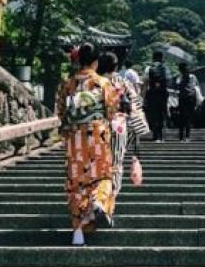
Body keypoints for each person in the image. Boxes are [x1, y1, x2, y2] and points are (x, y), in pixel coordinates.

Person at [55, 42, 118, 246]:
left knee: (76, 183)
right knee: (102, 175)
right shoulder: (103, 84)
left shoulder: (67, 85)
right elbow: (111, 110)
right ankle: (99, 202)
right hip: (97, 135)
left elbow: (61, 112)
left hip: (75, 138)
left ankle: (78, 231)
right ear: (96, 62)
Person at [97, 51, 144, 196]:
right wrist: (136, 150)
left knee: (95, 166)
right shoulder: (122, 83)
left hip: (94, 129)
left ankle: (98, 199)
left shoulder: (92, 83)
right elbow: (135, 110)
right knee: (115, 165)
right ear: (116, 66)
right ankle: (110, 199)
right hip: (118, 129)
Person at [144, 50, 169, 142]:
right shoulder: (165, 68)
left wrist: (143, 96)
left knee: (153, 114)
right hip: (162, 94)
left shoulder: (148, 68)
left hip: (152, 94)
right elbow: (168, 80)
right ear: (162, 58)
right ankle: (161, 137)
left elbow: (145, 82)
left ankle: (155, 136)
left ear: (153, 58)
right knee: (161, 114)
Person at [175, 61, 200, 141]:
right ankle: (187, 136)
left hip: (183, 98)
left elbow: (177, 86)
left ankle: (181, 136)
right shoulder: (193, 76)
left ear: (180, 70)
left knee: (182, 117)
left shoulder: (179, 77)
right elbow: (197, 86)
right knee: (188, 117)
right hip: (191, 98)